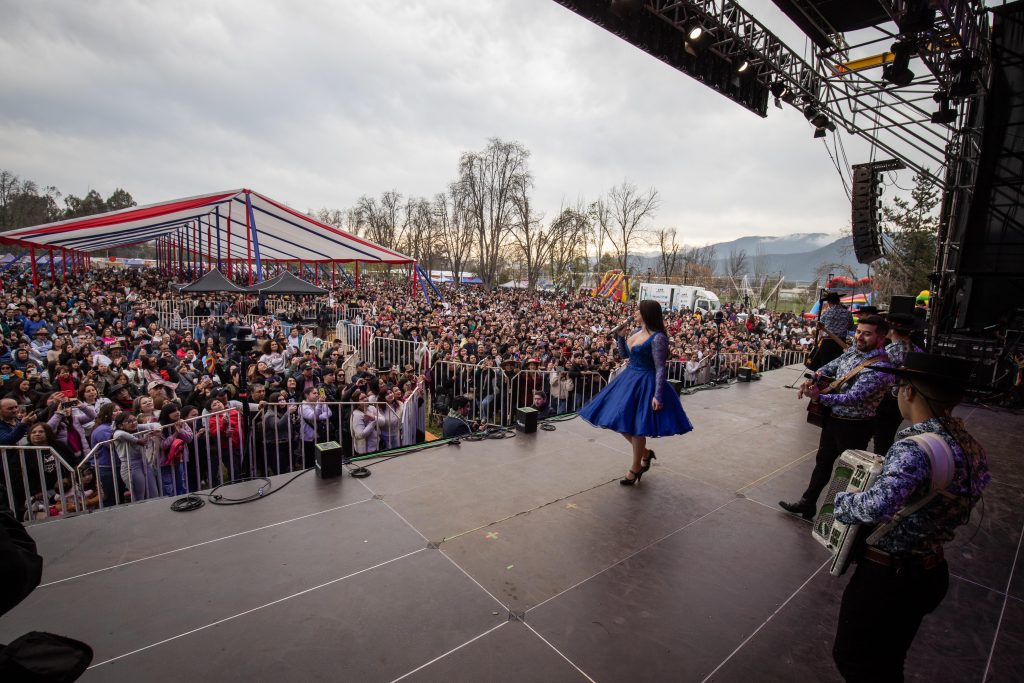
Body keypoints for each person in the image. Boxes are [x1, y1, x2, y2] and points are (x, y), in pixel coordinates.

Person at [830, 352, 989, 681]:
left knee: (855, 660)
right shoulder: (970, 445)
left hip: (890, 576)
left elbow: (876, 507)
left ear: (909, 392)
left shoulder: (914, 448)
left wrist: (840, 500)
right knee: (889, 660)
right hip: (930, 568)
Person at [780, 316, 892, 519]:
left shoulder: (881, 367)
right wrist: (814, 378)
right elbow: (830, 367)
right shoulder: (853, 352)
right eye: (858, 332)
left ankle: (839, 516)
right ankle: (808, 503)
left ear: (881, 337)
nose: (859, 337)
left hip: (855, 426)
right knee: (822, 462)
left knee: (848, 471)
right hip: (834, 418)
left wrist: (819, 397)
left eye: (867, 334)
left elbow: (853, 398)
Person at [578, 300, 693, 485]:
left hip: (646, 382)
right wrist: (620, 338)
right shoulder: (636, 332)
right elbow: (626, 356)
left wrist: (658, 395)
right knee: (618, 419)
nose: (635, 313)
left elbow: (660, 367)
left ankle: (635, 467)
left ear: (646, 313)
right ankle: (645, 453)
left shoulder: (658, 338)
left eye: (638, 310)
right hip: (630, 378)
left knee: (637, 426)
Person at [871, 313, 923, 456]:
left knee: (881, 438)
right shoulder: (917, 350)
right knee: (888, 435)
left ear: (892, 330)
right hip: (904, 400)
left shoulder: (890, 351)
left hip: (886, 400)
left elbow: (878, 376)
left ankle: (881, 464)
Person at [808, 292, 854, 371]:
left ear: (829, 302)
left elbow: (820, 326)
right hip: (841, 342)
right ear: (838, 301)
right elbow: (850, 327)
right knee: (838, 365)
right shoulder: (848, 313)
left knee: (825, 365)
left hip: (827, 342)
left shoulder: (827, 312)